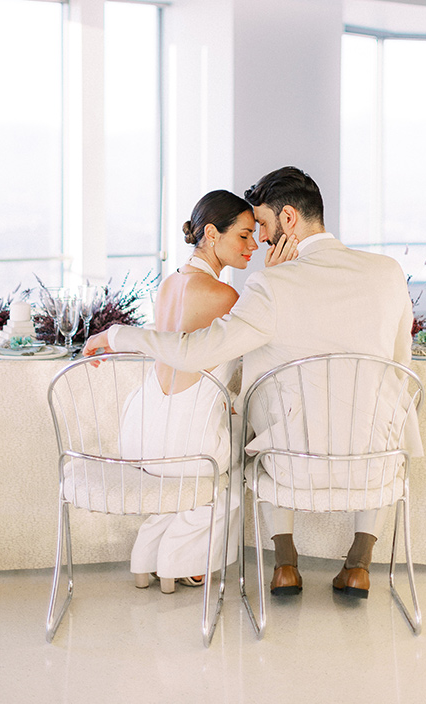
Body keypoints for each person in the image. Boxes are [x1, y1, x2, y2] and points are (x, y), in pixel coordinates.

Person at [84, 166, 422, 599]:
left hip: (295, 464)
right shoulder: (388, 271)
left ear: (288, 221)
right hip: (379, 462)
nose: (259, 240)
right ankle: (358, 564)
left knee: (259, 430)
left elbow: (195, 349)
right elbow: (400, 367)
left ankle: (285, 564)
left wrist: (116, 334)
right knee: (381, 413)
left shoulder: (270, 285)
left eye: (261, 224)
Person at [117, 189, 298, 594]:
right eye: (245, 236)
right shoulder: (225, 296)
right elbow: (265, 345)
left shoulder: (169, 284)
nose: (254, 246)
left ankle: (149, 557)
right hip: (184, 442)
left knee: (208, 463)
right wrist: (277, 279)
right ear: (212, 234)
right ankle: (184, 561)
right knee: (239, 469)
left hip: (142, 428)